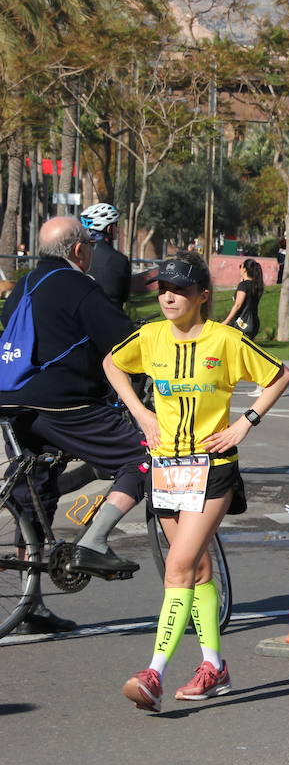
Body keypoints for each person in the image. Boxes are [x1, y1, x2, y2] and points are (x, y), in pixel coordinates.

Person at [106, 253, 289, 711]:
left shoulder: (224, 340)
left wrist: (245, 422)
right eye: (163, 287)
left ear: (202, 297)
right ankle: (215, 667)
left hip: (213, 469)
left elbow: (280, 375)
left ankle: (154, 673)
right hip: (167, 469)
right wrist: (141, 412)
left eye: (181, 289)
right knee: (198, 570)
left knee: (177, 567)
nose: (169, 296)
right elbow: (113, 364)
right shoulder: (150, 337)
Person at [0, 217, 150, 635]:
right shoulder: (80, 287)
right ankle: (95, 540)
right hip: (63, 405)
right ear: (79, 250)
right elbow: (126, 345)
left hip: (12, 402)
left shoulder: (23, 287)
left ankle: (30, 603)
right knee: (145, 454)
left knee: (33, 491)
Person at [79, 202, 132, 313]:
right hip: (112, 322)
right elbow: (124, 296)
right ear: (109, 228)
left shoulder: (77, 255)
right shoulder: (120, 260)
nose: (117, 229)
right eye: (116, 225)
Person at [222, 258, 265, 342]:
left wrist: (225, 322)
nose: (240, 268)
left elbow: (238, 305)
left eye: (240, 266)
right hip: (253, 322)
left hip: (243, 323)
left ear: (244, 269)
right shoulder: (256, 286)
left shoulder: (244, 285)